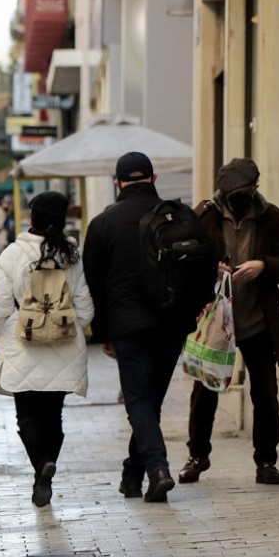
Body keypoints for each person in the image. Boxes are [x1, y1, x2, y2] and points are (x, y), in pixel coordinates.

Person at [82, 152, 208, 503]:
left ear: (117, 183)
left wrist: (103, 334)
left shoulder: (103, 224)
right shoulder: (179, 216)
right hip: (174, 324)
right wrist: (192, 313)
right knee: (149, 402)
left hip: (128, 327)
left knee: (139, 401)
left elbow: (94, 284)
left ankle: (158, 470)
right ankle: (132, 473)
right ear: (154, 179)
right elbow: (204, 266)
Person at [178, 158, 279, 486]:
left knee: (265, 393)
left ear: (255, 189)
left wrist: (263, 264)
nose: (240, 197)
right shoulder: (204, 215)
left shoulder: (270, 217)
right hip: (216, 322)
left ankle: (266, 461)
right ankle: (197, 456)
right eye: (234, 193)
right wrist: (210, 269)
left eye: (246, 192)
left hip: (257, 320)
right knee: (205, 391)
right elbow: (184, 261)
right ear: (223, 193)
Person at [0, 191, 94, 507]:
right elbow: (85, 305)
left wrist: (12, 330)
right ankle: (44, 471)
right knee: (54, 418)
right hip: (63, 345)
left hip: (23, 346)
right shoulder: (71, 254)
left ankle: (41, 465)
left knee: (27, 418)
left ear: (31, 218)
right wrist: (67, 326)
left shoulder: (11, 254)